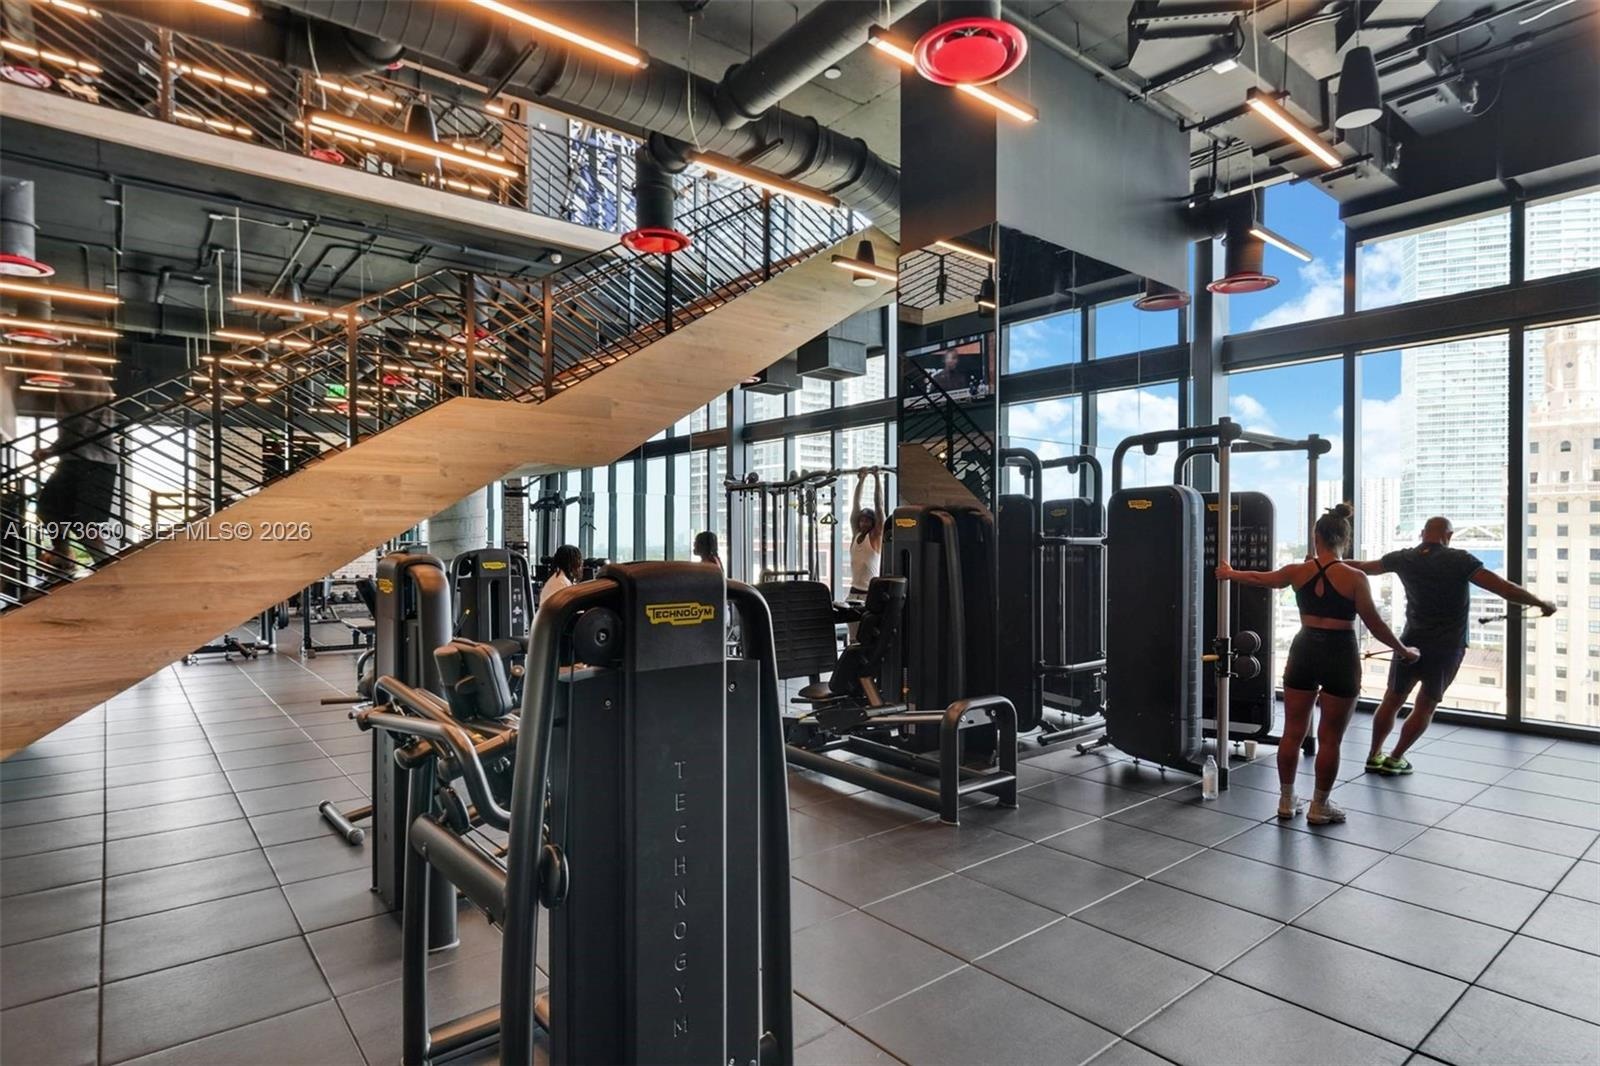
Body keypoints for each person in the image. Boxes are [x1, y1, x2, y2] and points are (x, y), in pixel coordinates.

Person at [1217, 503, 1417, 825]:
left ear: (1316, 538)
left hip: (1305, 648)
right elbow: (1375, 624)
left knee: (1292, 732)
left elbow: (1259, 577)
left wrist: (1230, 573)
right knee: (1330, 738)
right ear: (1345, 540)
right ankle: (1319, 806)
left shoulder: (1298, 571)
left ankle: (1286, 801)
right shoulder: (1355, 577)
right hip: (1340, 653)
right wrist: (1404, 650)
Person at [1346, 516, 1556, 775]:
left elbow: (1362, 567)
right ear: (1449, 535)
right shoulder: (1460, 560)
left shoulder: (1404, 558)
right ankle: (1395, 758)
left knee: (1392, 699)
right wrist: (1539, 602)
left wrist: (1327, 563)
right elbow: (1503, 588)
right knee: (1425, 705)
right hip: (1447, 647)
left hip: (1409, 641)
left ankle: (1373, 755)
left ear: (1422, 533)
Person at [35, 389, 121, 571]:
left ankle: (107, 567)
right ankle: (64, 555)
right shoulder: (73, 381)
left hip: (91, 459)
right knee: (48, 509)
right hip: (79, 457)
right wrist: (52, 450)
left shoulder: (81, 379)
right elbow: (77, 428)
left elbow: (81, 426)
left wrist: (51, 451)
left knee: (81, 520)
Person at [847, 468, 885, 605]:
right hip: (853, 592)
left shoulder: (875, 537)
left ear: (873, 523)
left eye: (867, 521)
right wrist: (861, 480)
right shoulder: (856, 536)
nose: (863, 523)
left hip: (868, 593)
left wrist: (877, 478)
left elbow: (879, 506)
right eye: (862, 520)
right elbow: (855, 504)